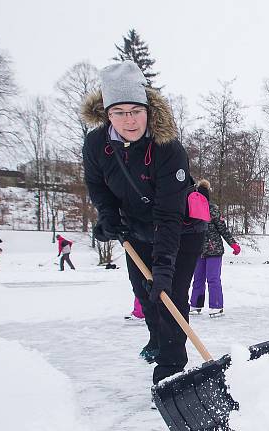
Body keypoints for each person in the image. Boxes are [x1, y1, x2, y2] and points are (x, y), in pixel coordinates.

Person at [81, 61, 207, 384]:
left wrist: (164, 265)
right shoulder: (96, 146)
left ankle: (170, 371)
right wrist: (108, 217)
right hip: (135, 230)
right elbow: (98, 187)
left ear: (147, 108)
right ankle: (157, 339)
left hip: (181, 228)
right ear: (107, 114)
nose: (130, 120)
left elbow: (168, 213)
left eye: (136, 110)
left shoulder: (168, 148)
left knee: (171, 296)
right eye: (119, 112)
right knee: (145, 294)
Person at [189, 179, 240, 318]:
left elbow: (223, 229)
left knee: (213, 278)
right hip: (198, 251)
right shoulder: (191, 209)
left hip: (214, 250)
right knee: (198, 278)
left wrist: (233, 244)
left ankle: (217, 305)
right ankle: (196, 304)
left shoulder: (212, 210)